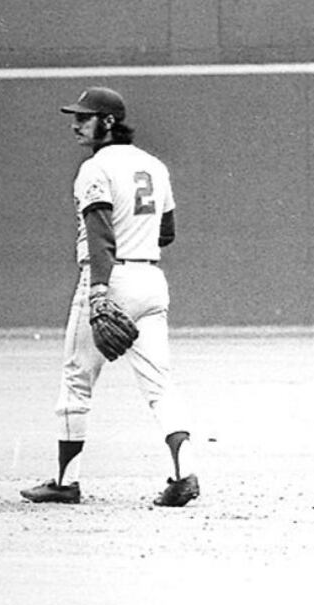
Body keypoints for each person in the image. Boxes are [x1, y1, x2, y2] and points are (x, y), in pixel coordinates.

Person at [20, 86, 200, 507]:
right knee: (160, 385)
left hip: (108, 279)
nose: (75, 125)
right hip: (150, 280)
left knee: (76, 380)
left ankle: (65, 482)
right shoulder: (155, 166)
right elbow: (167, 232)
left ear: (109, 121)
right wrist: (136, 235)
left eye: (84, 118)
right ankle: (184, 474)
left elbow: (101, 236)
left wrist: (100, 291)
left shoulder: (95, 168)